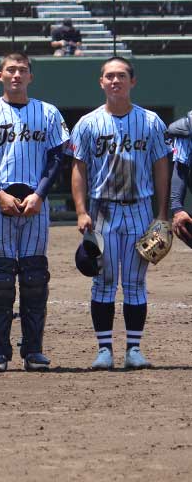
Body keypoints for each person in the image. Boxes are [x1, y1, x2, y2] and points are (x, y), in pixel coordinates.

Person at [0, 52, 69, 372]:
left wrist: (40, 194)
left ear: (30, 77)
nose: (16, 75)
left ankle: (34, 350)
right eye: (10, 70)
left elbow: (56, 159)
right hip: (0, 202)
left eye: (22, 70)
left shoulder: (48, 112)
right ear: (0, 75)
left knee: (35, 275)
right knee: (0, 278)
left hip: (36, 202)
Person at [69, 57, 171, 370]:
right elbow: (79, 168)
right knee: (103, 282)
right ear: (101, 82)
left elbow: (161, 167)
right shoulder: (87, 123)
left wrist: (163, 214)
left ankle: (134, 350)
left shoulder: (151, 122)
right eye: (110, 76)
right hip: (102, 212)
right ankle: (104, 350)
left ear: (132, 81)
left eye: (121, 76)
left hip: (140, 209)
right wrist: (81, 211)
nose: (116, 81)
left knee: (136, 282)